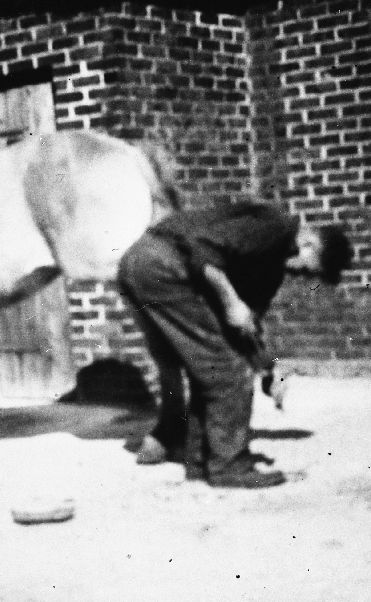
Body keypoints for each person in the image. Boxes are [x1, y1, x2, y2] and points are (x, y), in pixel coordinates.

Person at [117, 200, 352, 489]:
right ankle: (229, 466)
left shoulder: (271, 267)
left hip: (141, 264)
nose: (301, 277)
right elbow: (203, 252)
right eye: (306, 271)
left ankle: (199, 460)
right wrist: (231, 302)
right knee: (228, 374)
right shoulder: (275, 229)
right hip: (161, 264)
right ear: (309, 243)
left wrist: (268, 368)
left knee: (210, 369)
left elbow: (247, 327)